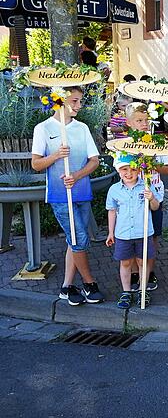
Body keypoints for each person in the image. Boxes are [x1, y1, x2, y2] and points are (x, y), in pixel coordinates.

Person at [31, 86, 105, 306]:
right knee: (79, 239)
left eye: (80, 101)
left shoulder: (82, 128)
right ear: (60, 101)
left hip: (82, 193)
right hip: (60, 195)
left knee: (74, 240)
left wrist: (77, 175)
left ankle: (66, 286)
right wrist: (55, 155)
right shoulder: (43, 128)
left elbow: (94, 160)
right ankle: (90, 284)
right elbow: (35, 164)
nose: (79, 106)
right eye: (74, 101)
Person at [123, 103, 168, 291]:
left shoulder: (157, 142)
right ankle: (135, 273)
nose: (144, 124)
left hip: (154, 197)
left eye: (146, 120)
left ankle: (149, 273)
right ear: (129, 122)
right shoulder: (124, 145)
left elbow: (167, 169)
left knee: (152, 237)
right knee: (133, 237)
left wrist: (149, 163)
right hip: (132, 199)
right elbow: (121, 169)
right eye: (139, 120)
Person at [105, 157, 162, 308]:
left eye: (133, 169)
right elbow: (111, 211)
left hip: (143, 233)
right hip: (123, 233)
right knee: (125, 262)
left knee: (143, 262)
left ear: (139, 170)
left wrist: (152, 198)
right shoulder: (114, 190)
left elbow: (155, 207)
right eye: (124, 169)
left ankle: (143, 290)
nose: (129, 173)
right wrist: (111, 232)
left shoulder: (146, 186)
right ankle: (126, 291)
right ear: (119, 171)